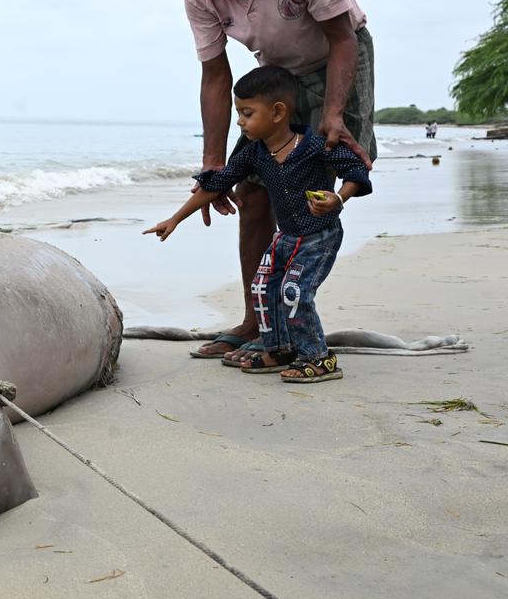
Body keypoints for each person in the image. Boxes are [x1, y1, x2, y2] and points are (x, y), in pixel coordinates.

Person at [166, 0, 376, 362]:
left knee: (305, 190)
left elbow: (342, 37)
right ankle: (256, 321)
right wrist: (213, 163)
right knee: (251, 192)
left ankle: (287, 329)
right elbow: (215, 76)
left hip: (335, 60)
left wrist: (333, 114)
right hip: (276, 77)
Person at [144, 65, 372, 382]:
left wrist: (339, 198)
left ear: (278, 112)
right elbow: (215, 184)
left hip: (319, 236)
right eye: (239, 112)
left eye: (247, 113)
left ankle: (318, 357)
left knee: (295, 292)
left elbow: (356, 172)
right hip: (285, 237)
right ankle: (279, 349)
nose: (240, 121)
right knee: (263, 287)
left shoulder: (316, 146)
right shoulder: (255, 154)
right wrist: (175, 219)